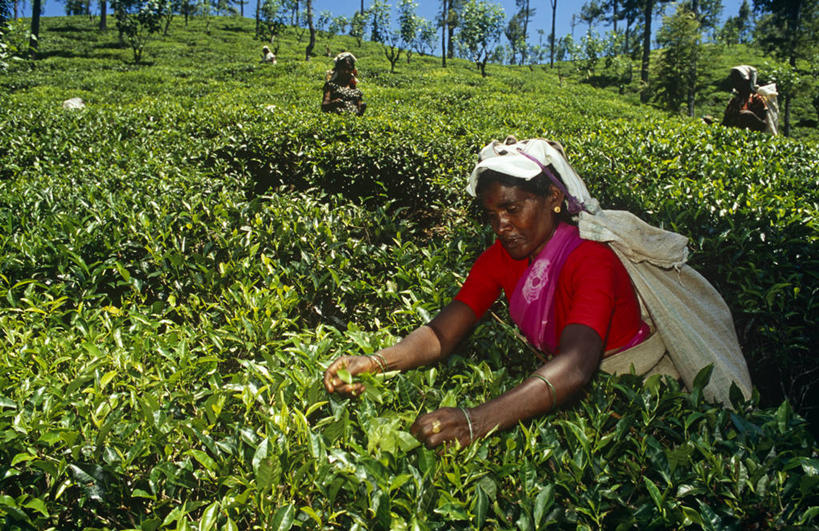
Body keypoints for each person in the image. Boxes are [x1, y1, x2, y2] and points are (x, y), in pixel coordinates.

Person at [323, 137, 656, 449]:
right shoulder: (500, 257)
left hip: (634, 384)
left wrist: (476, 421)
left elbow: (576, 365)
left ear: (553, 200)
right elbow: (442, 333)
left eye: (512, 209)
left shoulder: (590, 259)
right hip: (563, 385)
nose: (501, 226)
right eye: (492, 215)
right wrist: (374, 362)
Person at [721, 65, 771, 133]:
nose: (736, 83)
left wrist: (750, 116)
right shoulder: (734, 101)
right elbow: (725, 123)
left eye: (739, 80)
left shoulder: (756, 99)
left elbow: (764, 126)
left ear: (747, 81)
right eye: (734, 80)